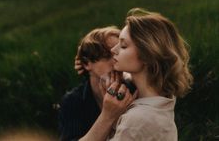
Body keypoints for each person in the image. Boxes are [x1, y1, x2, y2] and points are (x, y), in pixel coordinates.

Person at [79, 9, 194, 141]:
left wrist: (108, 115)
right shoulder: (164, 99)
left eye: (123, 45)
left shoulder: (136, 121)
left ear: (147, 55)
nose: (113, 50)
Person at [58, 26, 120, 141]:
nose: (115, 61)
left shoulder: (133, 88)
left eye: (118, 53)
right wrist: (108, 115)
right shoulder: (74, 100)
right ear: (86, 63)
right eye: (107, 56)